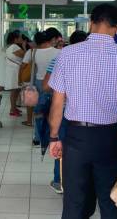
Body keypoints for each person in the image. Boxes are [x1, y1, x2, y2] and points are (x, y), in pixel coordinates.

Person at [48, 4, 117, 219]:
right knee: (111, 201)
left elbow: (57, 103)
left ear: (91, 23)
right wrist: (116, 101)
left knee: (74, 202)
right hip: (111, 139)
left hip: (76, 138)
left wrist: (54, 136)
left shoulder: (67, 54)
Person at [43, 30, 88, 194]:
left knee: (59, 145)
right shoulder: (95, 61)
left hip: (62, 112)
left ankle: (59, 181)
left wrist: (64, 88)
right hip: (85, 115)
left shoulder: (59, 58)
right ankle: (81, 183)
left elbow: (46, 86)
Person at [23, 31, 60, 146]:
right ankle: (52, 136)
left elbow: (27, 66)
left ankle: (37, 137)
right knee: (54, 110)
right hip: (54, 83)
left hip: (39, 83)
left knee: (39, 112)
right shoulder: (58, 52)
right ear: (51, 40)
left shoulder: (33, 52)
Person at [4, 30, 26, 117]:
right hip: (14, 72)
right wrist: (24, 47)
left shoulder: (11, 46)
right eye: (20, 37)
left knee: (16, 90)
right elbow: (24, 55)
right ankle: (12, 110)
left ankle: (13, 108)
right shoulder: (14, 47)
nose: (21, 39)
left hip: (13, 71)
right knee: (14, 91)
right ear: (15, 39)